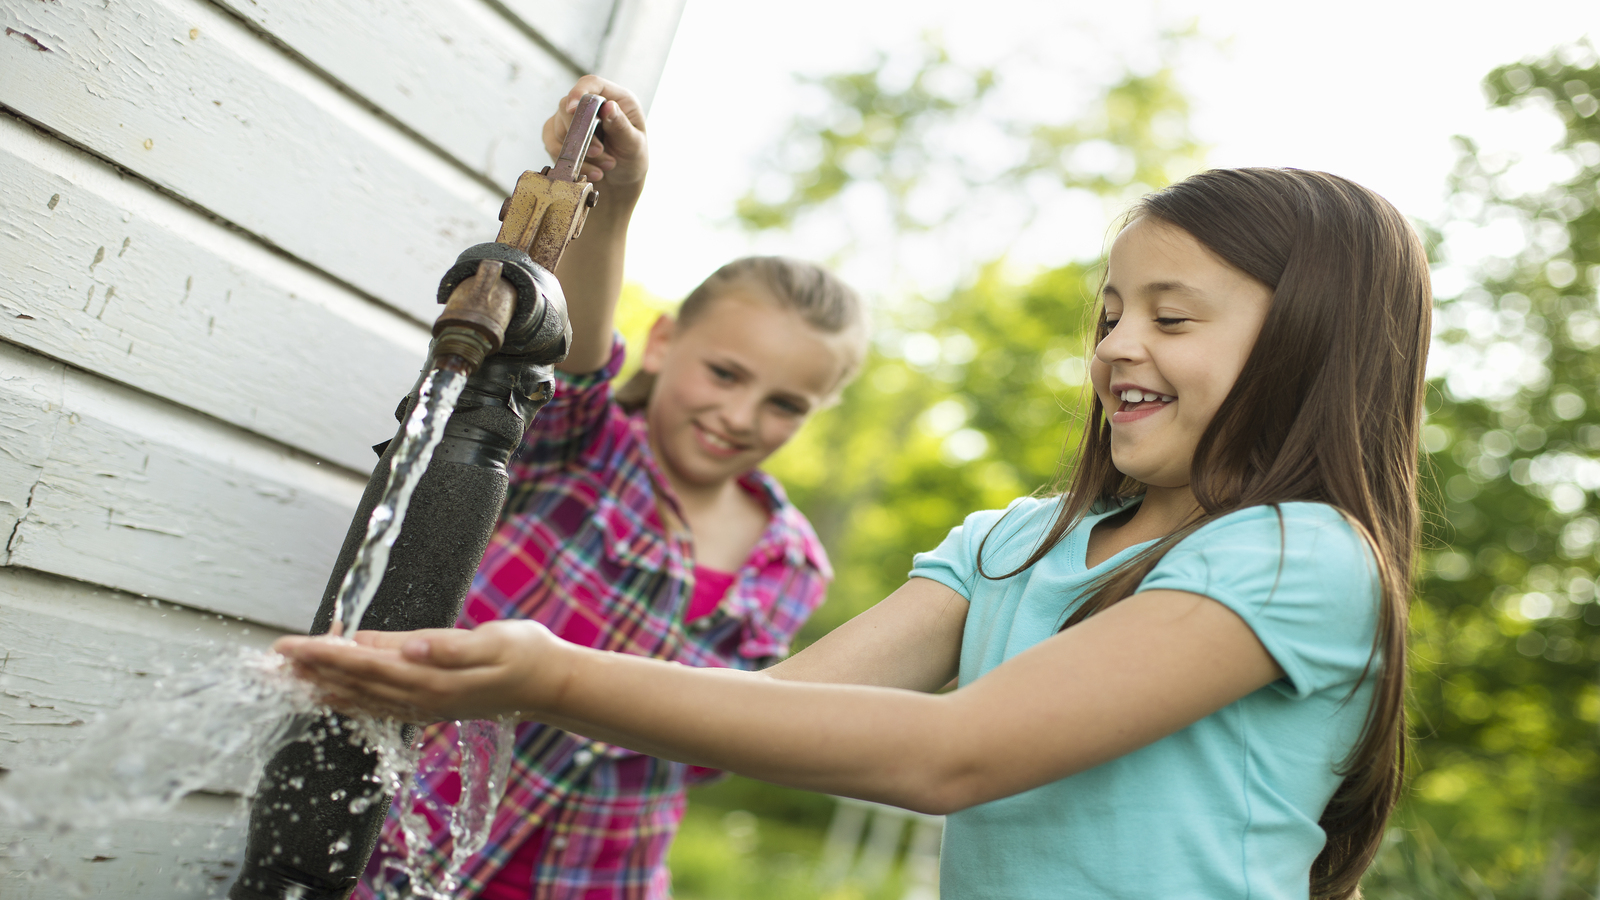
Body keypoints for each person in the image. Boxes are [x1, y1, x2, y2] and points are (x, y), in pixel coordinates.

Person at [281, 167, 1430, 900]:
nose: (1118, 346)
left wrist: (549, 676)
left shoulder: (1297, 557)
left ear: (1310, 347)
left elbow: (951, 754)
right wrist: (520, 674)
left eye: (1170, 318)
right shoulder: (1016, 543)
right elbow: (773, 712)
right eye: (1112, 314)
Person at [352, 75, 870, 899]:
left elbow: (727, 734)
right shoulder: (590, 451)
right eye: (725, 373)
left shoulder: (794, 564)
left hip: (603, 875)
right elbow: (577, 355)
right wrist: (618, 196)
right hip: (414, 848)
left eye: (785, 405)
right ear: (663, 343)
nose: (740, 416)